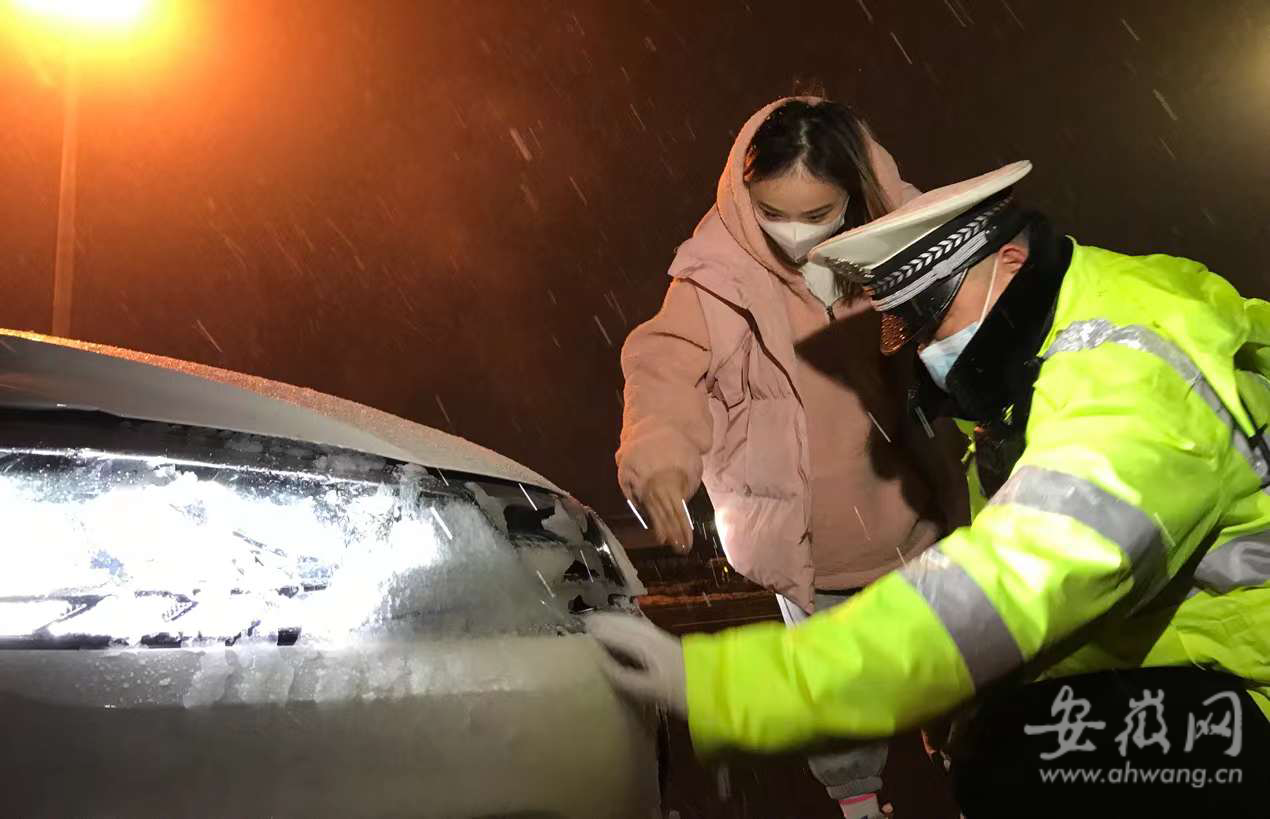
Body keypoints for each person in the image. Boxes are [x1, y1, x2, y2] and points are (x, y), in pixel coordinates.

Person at [593, 160, 1270, 818]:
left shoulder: (1135, 377)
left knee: (1013, 758)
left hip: (1252, 690)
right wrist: (963, 690)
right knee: (996, 734)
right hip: (1205, 659)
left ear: (1006, 264)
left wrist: (728, 684)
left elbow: (1004, 585)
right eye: (904, 329)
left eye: (930, 318)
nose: (921, 352)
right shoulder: (1043, 361)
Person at [615, 96, 969, 818]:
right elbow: (663, 366)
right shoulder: (713, 276)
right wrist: (659, 457)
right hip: (811, 552)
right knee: (836, 704)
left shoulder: (904, 245)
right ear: (744, 193)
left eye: (819, 214)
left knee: (961, 680)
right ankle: (861, 806)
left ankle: (970, 772)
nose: (796, 234)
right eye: (774, 211)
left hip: (917, 531)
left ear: (854, 196)